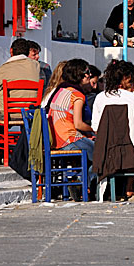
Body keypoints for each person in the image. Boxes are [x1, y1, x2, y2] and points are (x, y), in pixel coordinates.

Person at [91, 60, 134, 200]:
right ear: (125, 78)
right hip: (130, 152)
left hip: (106, 152)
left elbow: (95, 128)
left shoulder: (100, 98)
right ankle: (130, 188)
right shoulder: (133, 98)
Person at [47, 59, 97, 191]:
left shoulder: (60, 91)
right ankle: (81, 183)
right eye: (87, 72)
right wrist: (94, 130)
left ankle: (78, 182)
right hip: (69, 139)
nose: (88, 75)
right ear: (80, 75)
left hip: (55, 140)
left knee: (94, 152)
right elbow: (79, 124)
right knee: (103, 154)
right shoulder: (77, 95)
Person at [0, 38, 41, 120]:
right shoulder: (36, 66)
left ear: (11, 51)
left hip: (8, 115)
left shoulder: (3, 69)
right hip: (30, 113)